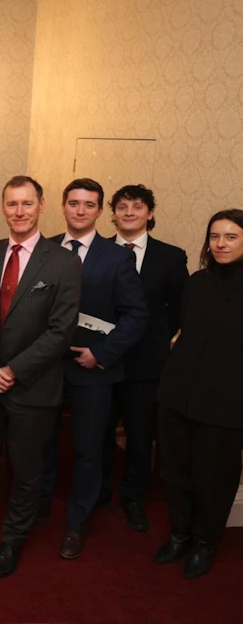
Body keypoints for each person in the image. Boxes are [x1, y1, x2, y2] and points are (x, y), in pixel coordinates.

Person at [0, 175, 81, 579]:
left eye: (27, 203)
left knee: (26, 470)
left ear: (41, 205)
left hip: (33, 387)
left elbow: (61, 331)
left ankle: (13, 540)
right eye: (12, 204)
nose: (19, 211)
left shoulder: (63, 262)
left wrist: (12, 370)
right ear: (3, 207)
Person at [39, 178, 148, 560]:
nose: (80, 210)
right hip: (45, 367)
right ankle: (37, 507)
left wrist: (100, 354)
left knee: (89, 449)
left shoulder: (117, 257)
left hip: (93, 368)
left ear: (101, 211)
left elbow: (136, 316)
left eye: (89, 204)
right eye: (74, 203)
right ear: (63, 206)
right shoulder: (44, 248)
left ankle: (77, 521)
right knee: (41, 441)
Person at [154, 209, 243, 579]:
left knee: (214, 479)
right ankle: (180, 534)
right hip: (178, 395)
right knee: (175, 472)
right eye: (215, 236)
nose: (220, 244)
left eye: (231, 236)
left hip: (225, 403)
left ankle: (205, 543)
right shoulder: (196, 282)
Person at [100, 184, 188, 532]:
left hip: (146, 364)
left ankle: (133, 494)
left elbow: (179, 311)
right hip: (100, 359)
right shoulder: (97, 250)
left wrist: (155, 342)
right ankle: (98, 490)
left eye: (137, 207)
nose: (129, 212)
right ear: (113, 214)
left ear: (150, 213)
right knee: (99, 430)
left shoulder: (171, 256)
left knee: (139, 435)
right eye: (122, 207)